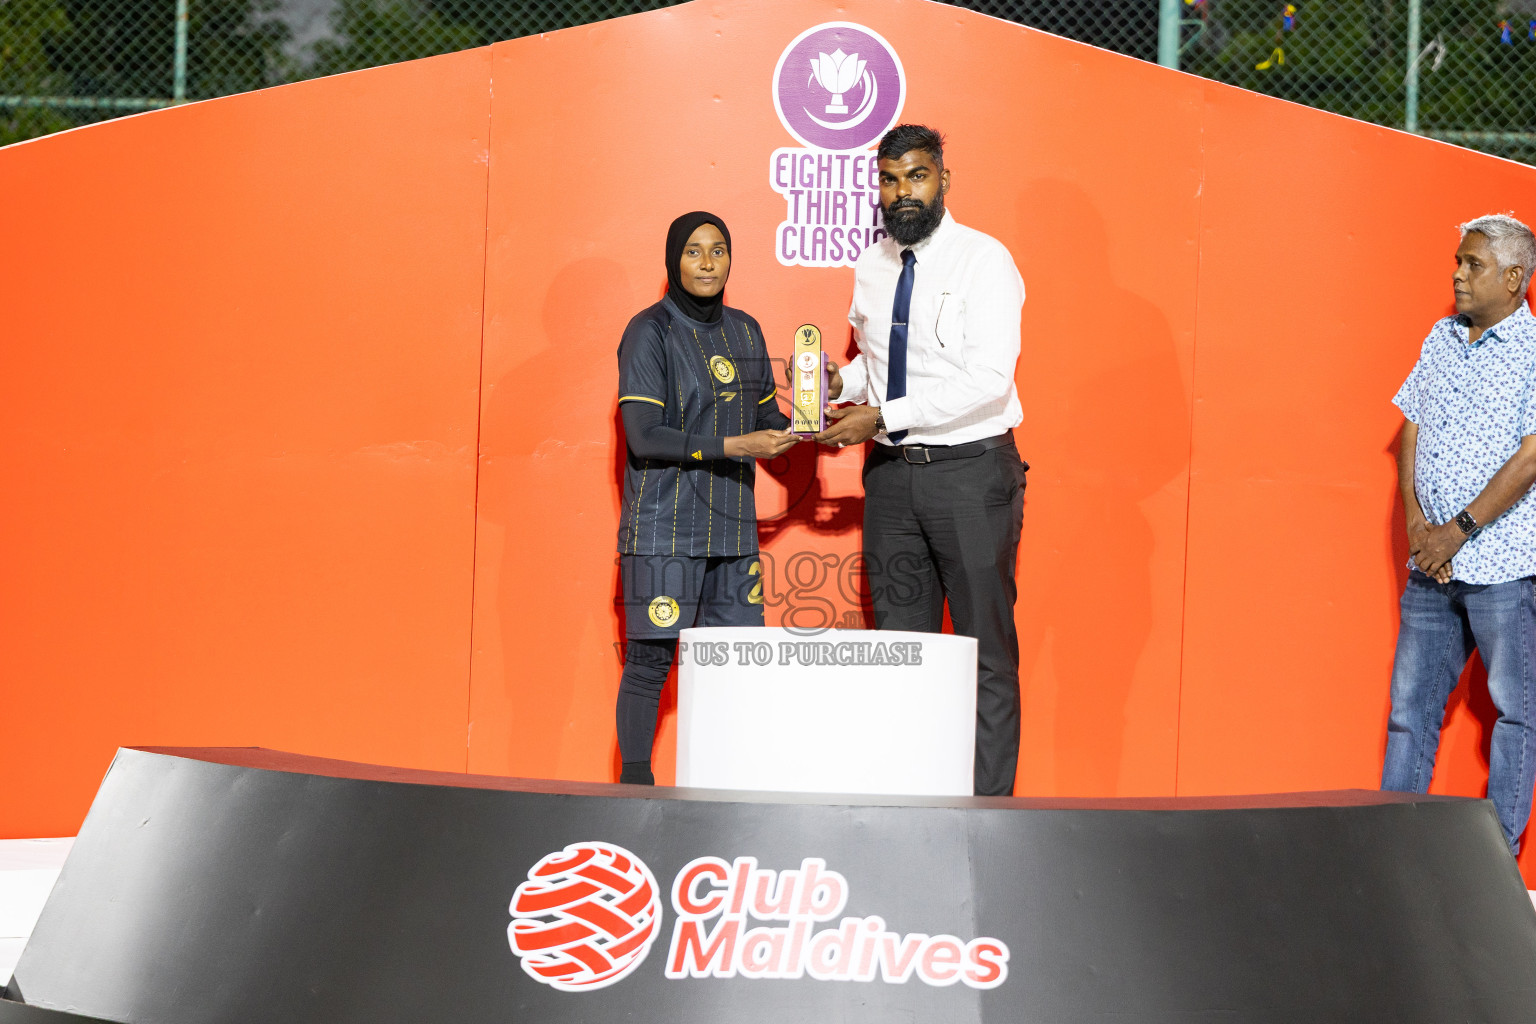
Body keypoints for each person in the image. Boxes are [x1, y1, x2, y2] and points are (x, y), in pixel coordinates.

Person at [815, 125, 1028, 797]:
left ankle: (989, 815)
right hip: (892, 483)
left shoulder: (984, 260)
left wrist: (882, 415)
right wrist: (840, 386)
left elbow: (987, 379)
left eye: (916, 176)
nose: (901, 191)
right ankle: (912, 805)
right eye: (888, 179)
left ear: (943, 179)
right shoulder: (872, 265)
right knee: (902, 654)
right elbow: (878, 367)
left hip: (971, 475)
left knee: (983, 654)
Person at [614, 211, 799, 785]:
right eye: (693, 251)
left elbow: (771, 420)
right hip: (662, 532)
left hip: (732, 535)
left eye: (718, 251)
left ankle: (729, 794)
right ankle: (634, 794)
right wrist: (735, 443)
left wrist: (822, 419)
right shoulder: (650, 331)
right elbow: (644, 437)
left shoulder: (746, 330)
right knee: (650, 665)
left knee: (736, 669)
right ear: (673, 259)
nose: (706, 263)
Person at [1382, 213, 1536, 853]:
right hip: (1432, 567)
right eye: (1459, 260)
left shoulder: (1533, 352)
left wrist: (1459, 530)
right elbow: (1410, 428)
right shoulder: (1441, 338)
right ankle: (1390, 842)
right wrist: (1420, 527)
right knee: (1407, 716)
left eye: (1473, 264)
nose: (1458, 273)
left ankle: (1495, 857)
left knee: (1517, 714)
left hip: (1502, 564)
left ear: (1514, 277)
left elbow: (1531, 456)